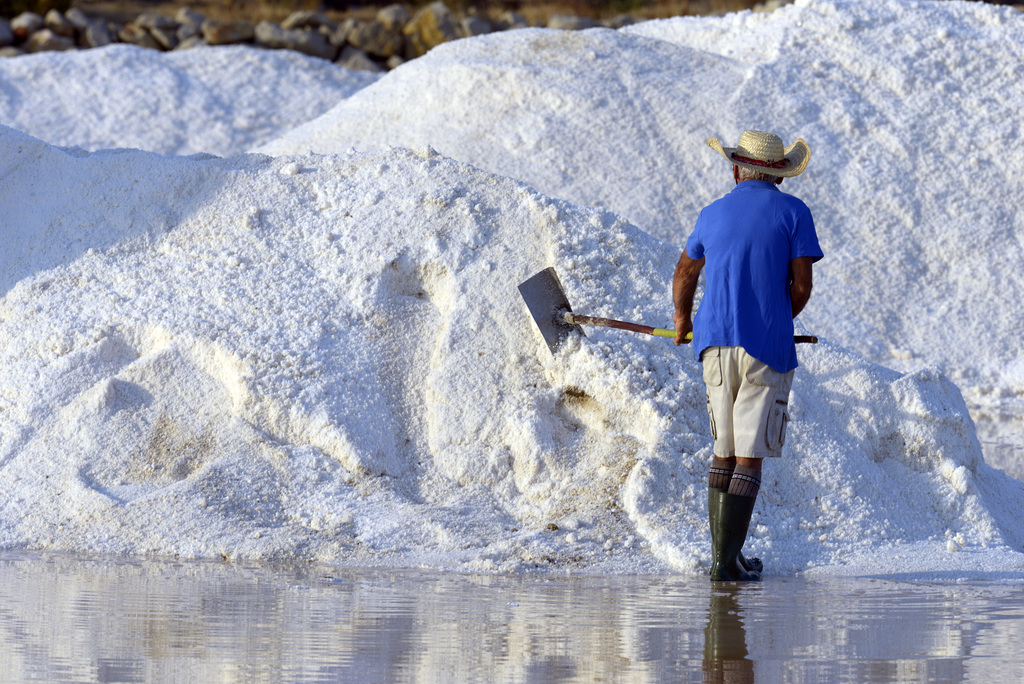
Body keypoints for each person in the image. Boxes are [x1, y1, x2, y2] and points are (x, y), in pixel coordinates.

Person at [673, 130, 823, 581]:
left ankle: (724, 557)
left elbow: (685, 271)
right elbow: (801, 286)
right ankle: (727, 564)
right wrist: (777, 317)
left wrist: (682, 319)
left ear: (737, 168)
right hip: (765, 350)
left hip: (714, 344)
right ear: (779, 174)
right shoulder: (794, 212)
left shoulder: (712, 213)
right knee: (748, 456)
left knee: (723, 451)